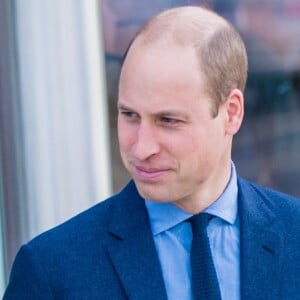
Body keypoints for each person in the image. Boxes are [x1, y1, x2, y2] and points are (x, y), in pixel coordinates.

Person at [4, 6, 300, 300]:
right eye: (130, 115)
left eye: (168, 121)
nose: (142, 148)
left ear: (231, 113)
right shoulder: (52, 270)